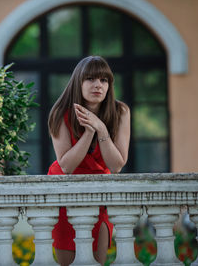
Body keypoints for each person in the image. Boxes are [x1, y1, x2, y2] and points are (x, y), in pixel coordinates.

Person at [47, 56, 131, 266]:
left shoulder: (120, 112)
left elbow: (117, 165)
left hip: (99, 192)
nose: (98, 85)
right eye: (91, 79)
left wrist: (102, 128)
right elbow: (66, 166)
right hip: (64, 193)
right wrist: (88, 131)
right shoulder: (60, 113)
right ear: (78, 82)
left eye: (104, 80)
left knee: (96, 261)